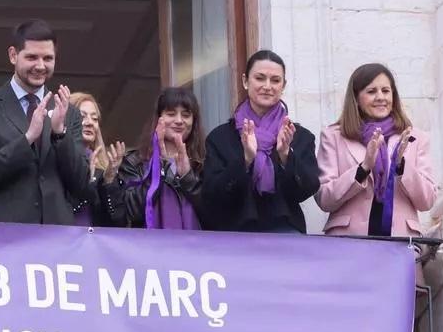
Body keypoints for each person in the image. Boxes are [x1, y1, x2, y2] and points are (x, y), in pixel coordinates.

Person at [0, 19, 90, 224]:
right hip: (4, 238)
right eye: (32, 57)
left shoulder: (68, 112)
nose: (40, 66)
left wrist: (59, 134)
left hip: (56, 239)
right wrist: (28, 138)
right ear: (13, 55)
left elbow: (82, 185)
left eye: (48, 58)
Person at [202, 50, 320, 233]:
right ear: (245, 81)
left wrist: (286, 156)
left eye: (275, 80)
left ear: (283, 85)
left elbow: (307, 189)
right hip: (234, 233)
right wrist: (245, 160)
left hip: (285, 231)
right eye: (260, 78)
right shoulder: (220, 137)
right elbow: (212, 195)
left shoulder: (298, 136)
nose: (267, 86)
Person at [315, 63, 437, 237]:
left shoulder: (415, 137)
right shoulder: (333, 136)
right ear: (356, 98)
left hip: (400, 246)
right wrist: (363, 168)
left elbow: (427, 201)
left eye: (386, 91)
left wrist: (401, 166)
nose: (380, 97)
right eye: (371, 91)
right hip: (348, 245)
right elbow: (325, 199)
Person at [108, 86, 205, 229]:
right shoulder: (134, 162)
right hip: (150, 248)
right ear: (158, 119)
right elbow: (129, 213)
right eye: (171, 114)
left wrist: (187, 178)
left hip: (196, 248)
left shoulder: (204, 162)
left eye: (186, 115)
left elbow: (214, 213)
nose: (179, 120)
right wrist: (159, 167)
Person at [67, 91, 125, 226]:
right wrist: (88, 181)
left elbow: (117, 221)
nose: (90, 123)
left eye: (95, 118)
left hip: (96, 244)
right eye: (82, 116)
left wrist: (109, 179)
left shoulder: (104, 169)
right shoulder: (56, 161)